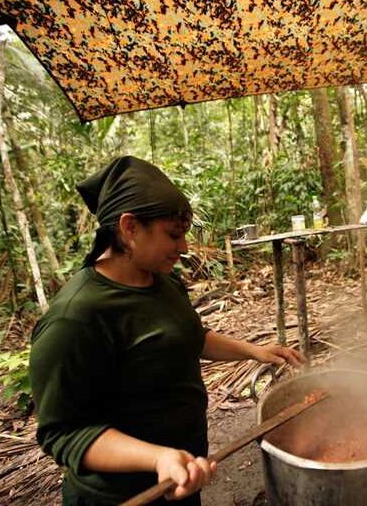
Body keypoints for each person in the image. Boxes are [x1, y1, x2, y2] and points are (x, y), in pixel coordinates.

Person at [29, 156, 304, 505]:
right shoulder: (75, 318)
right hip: (123, 495)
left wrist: (255, 351)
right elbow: (64, 432)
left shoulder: (164, 282)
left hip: (182, 476)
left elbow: (189, 337)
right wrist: (157, 458)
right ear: (130, 227)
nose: (184, 248)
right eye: (173, 235)